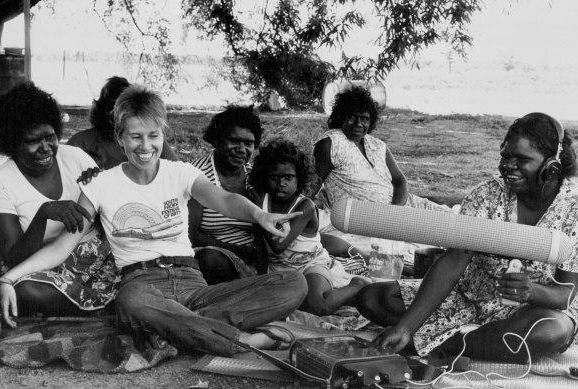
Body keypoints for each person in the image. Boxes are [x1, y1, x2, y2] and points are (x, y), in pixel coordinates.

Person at [0, 85, 307, 357]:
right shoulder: (100, 184)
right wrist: (10, 278)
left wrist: (260, 215)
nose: (145, 147)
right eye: (135, 137)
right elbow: (63, 246)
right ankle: (243, 340)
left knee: (294, 283)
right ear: (119, 138)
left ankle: (174, 325)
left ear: (163, 134)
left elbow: (224, 199)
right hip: (140, 282)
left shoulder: (180, 173)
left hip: (191, 280)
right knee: (131, 302)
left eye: (153, 136)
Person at [356, 112, 578, 363]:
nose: (508, 166)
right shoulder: (487, 195)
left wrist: (531, 291)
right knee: (373, 298)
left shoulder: (574, 210)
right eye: (505, 156)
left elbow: (565, 294)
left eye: (522, 159)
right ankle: (476, 340)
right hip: (469, 299)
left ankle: (443, 345)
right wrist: (405, 327)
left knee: (552, 331)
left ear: (552, 167)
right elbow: (453, 262)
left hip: (532, 310)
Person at [0, 82, 118, 319]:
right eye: (32, 141)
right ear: (12, 142)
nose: (46, 148)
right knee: (26, 290)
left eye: (50, 137)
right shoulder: (0, 182)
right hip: (37, 264)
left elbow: (115, 217)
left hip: (97, 260)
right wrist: (44, 214)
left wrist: (100, 191)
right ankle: (97, 308)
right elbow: (14, 258)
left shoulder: (75, 158)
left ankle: (96, 303)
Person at [248, 138, 371, 316]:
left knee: (317, 306)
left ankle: (355, 286)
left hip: (310, 264)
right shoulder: (263, 201)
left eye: (288, 177)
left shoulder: (304, 206)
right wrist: (261, 278)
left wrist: (258, 211)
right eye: (275, 177)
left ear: (300, 178)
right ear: (264, 177)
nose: (281, 183)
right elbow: (260, 243)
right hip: (278, 268)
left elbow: (279, 244)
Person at [313, 86, 449, 211]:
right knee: (453, 231)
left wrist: (395, 212)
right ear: (340, 117)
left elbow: (400, 181)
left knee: (457, 220)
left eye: (364, 118)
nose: (358, 124)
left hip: (403, 209)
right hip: (367, 220)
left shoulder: (377, 145)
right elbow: (313, 184)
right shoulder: (330, 143)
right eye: (352, 117)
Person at [189, 105, 264, 283]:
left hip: (254, 257)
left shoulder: (255, 177)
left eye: (248, 143)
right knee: (210, 260)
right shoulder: (197, 175)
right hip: (213, 255)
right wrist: (237, 250)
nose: (241, 149)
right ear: (216, 140)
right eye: (234, 140)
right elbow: (190, 235)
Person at [67, 76, 178, 169]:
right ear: (102, 109)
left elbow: (177, 171)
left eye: (123, 110)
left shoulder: (152, 141)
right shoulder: (82, 142)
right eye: (112, 109)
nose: (115, 115)